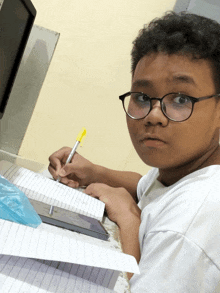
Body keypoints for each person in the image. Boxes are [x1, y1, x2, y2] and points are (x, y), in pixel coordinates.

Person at [48, 11, 220, 292]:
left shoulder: (189, 229)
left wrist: (129, 219)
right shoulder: (185, 170)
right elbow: (146, 186)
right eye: (142, 97)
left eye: (180, 99)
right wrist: (94, 172)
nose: (154, 116)